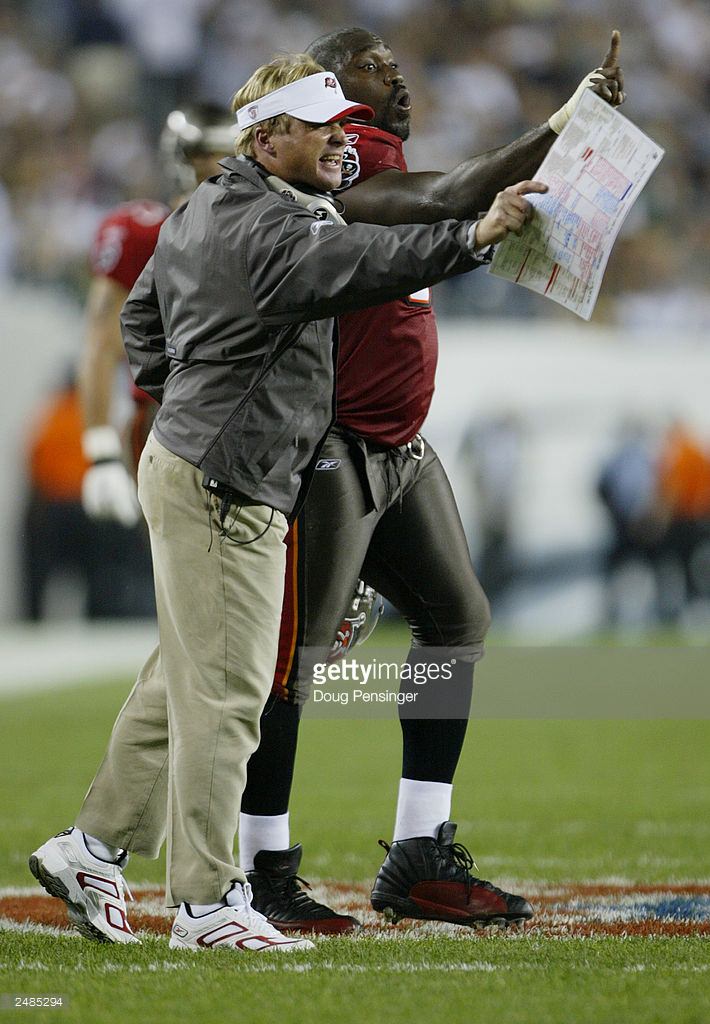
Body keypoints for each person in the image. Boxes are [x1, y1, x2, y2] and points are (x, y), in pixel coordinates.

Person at [29, 54, 540, 954]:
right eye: (320, 126)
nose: (341, 136)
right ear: (266, 138)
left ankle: (90, 846)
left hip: (212, 463)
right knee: (230, 695)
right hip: (229, 477)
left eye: (343, 122)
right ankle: (206, 904)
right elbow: (364, 264)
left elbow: (142, 327)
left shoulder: (207, 209)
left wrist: (185, 392)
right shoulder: (268, 226)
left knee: (178, 682)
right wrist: (475, 236)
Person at [238, 28, 625, 935]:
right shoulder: (343, 154)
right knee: (293, 662)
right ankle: (260, 865)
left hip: (398, 444)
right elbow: (453, 194)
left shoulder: (379, 152)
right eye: (378, 67)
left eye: (399, 66)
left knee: (457, 618)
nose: (399, 79)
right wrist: (568, 120)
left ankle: (418, 853)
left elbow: (448, 205)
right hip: (328, 443)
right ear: (337, 88)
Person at [79, 104, 237, 529]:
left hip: (246, 425)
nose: (223, 167)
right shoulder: (144, 231)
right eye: (209, 154)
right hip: (167, 423)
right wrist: (101, 448)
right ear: (181, 160)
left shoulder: (265, 230)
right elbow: (100, 340)